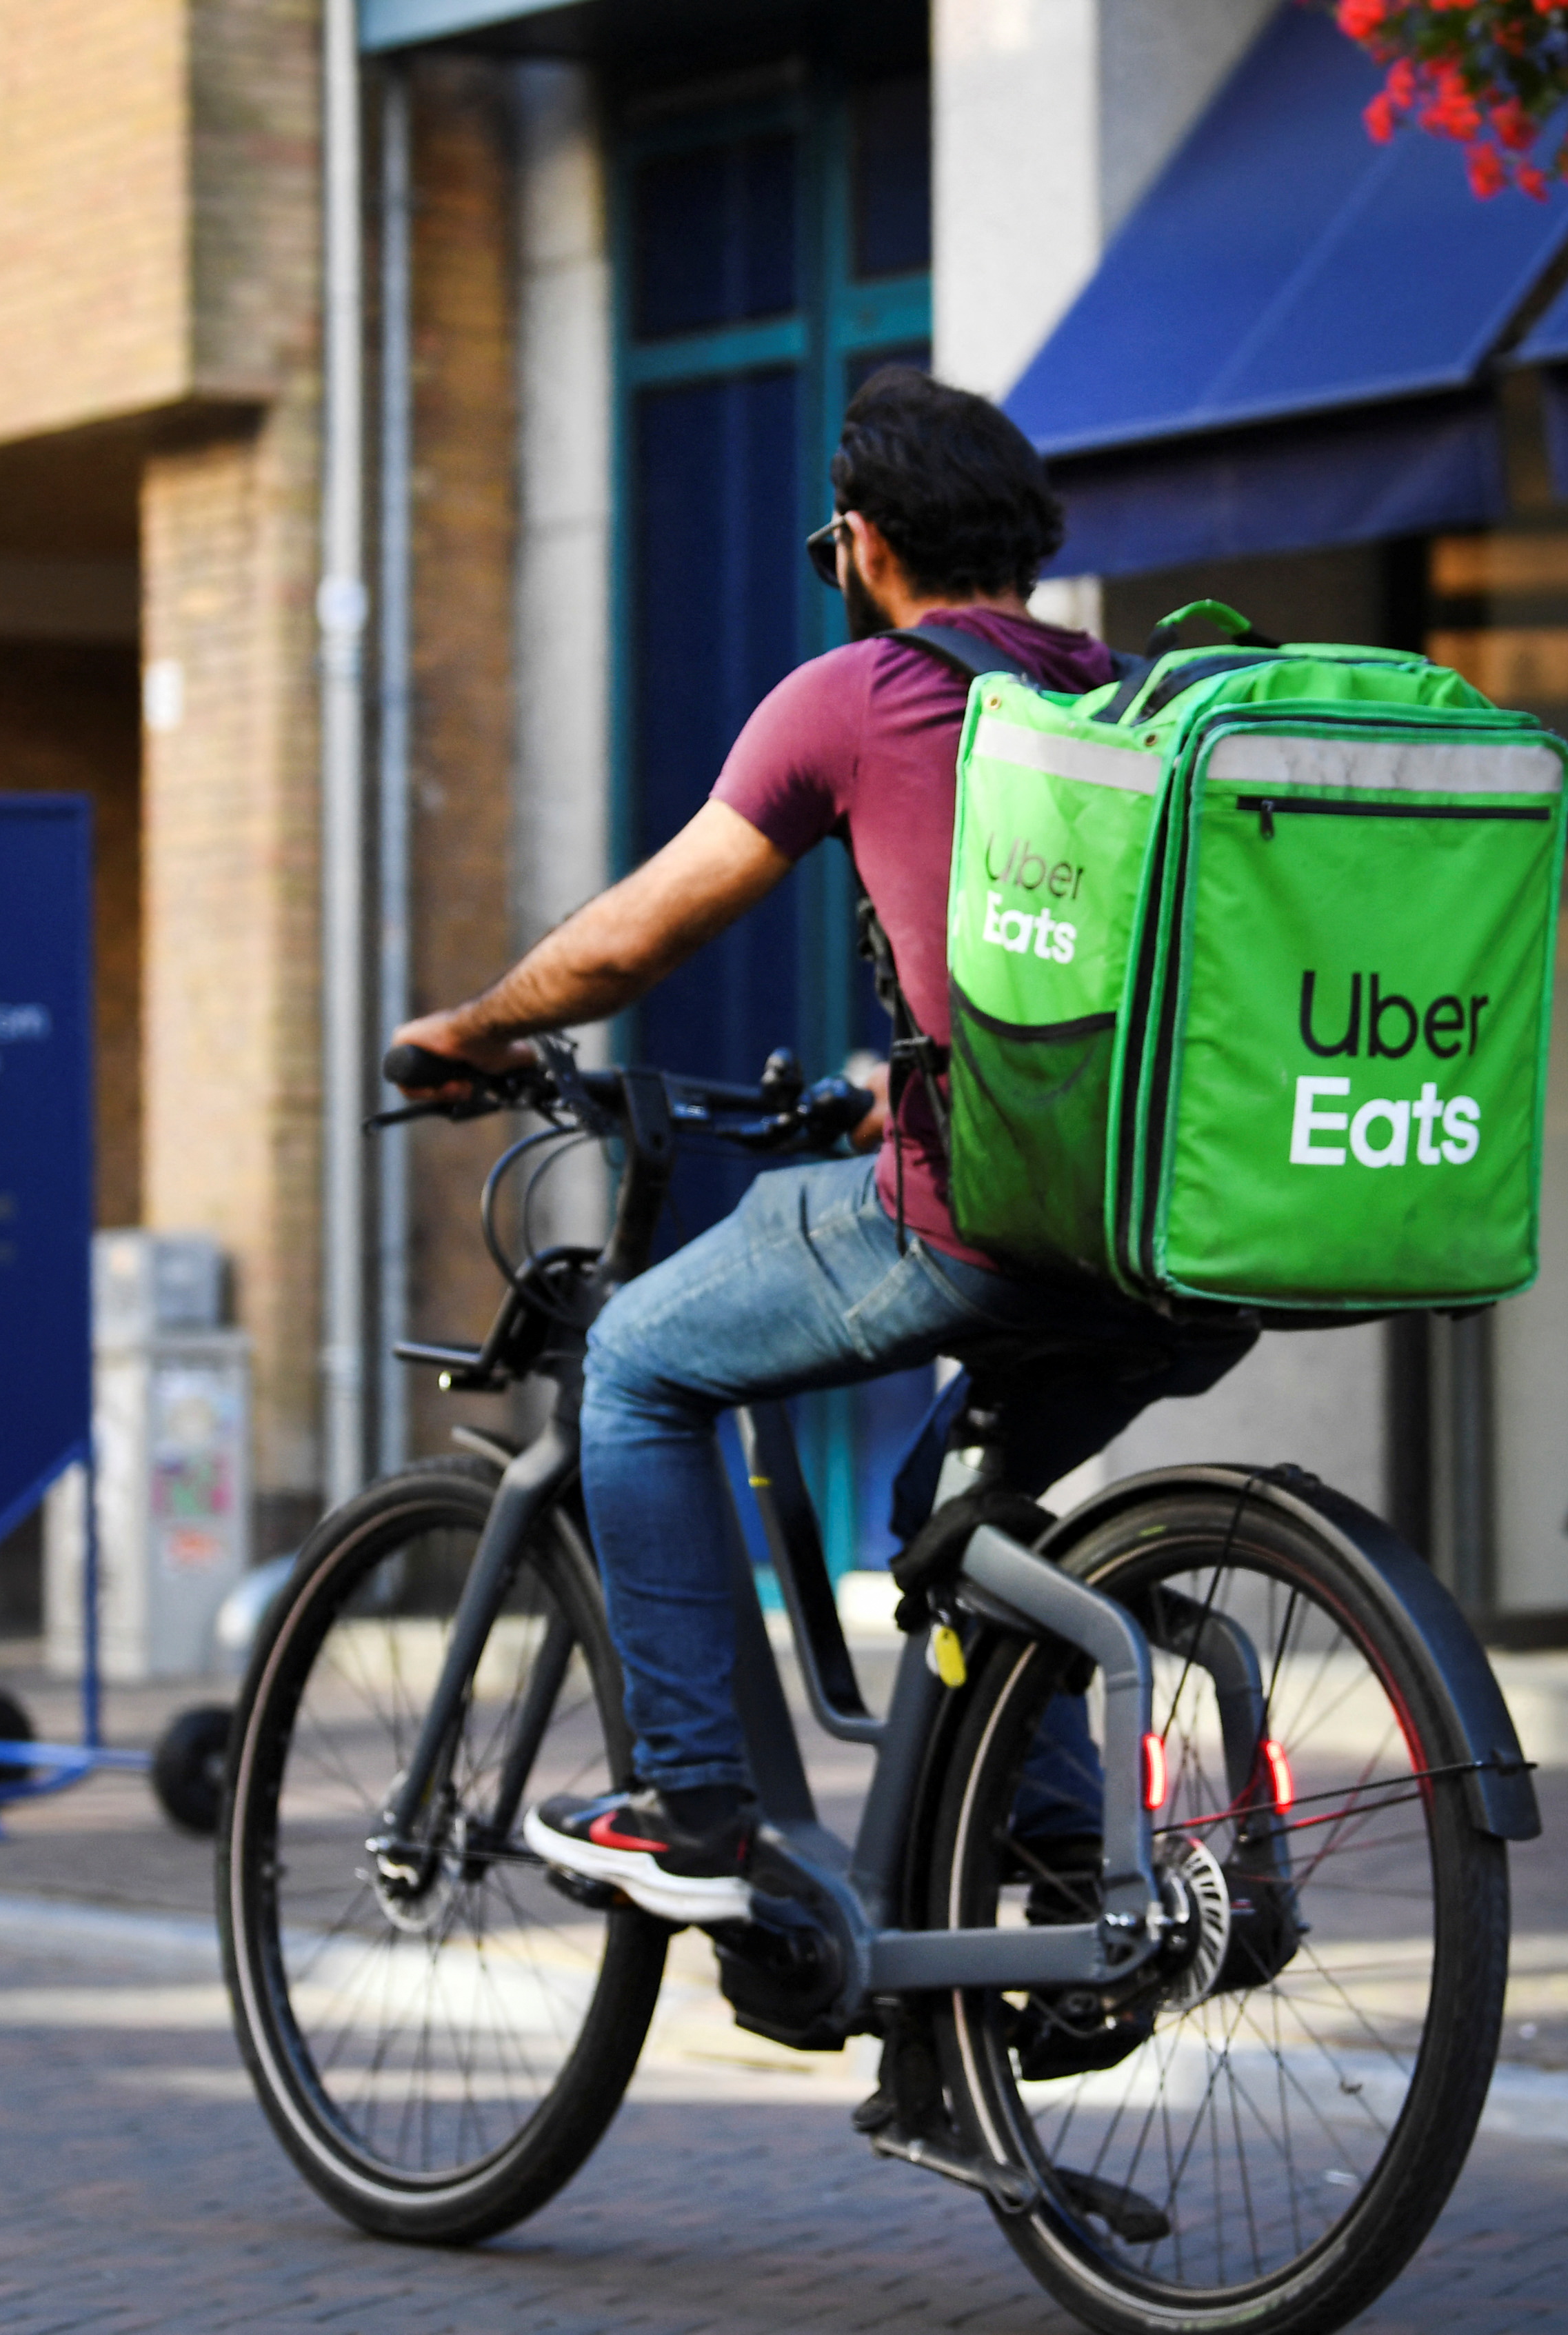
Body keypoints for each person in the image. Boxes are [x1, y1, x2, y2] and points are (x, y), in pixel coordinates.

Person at [393, 367, 1252, 1923]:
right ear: (1029, 545)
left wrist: (481, 1026)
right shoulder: (1140, 704)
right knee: (953, 1525)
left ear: (858, 543)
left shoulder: (862, 694)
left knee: (642, 1359)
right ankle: (1061, 1882)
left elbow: (629, 942)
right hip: (1178, 1241)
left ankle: (694, 1806)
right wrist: (899, 1082)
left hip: (985, 1226)